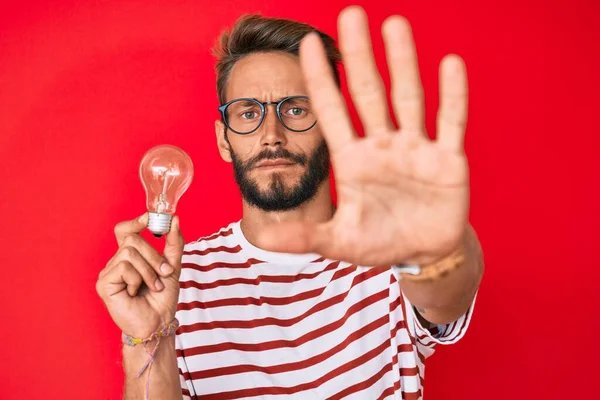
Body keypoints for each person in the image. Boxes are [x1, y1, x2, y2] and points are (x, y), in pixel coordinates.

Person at [96, 5, 484, 399]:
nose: (271, 134)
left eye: (296, 109)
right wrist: (148, 340)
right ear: (223, 139)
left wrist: (438, 244)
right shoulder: (177, 279)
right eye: (248, 113)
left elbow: (444, 292)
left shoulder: (389, 249)